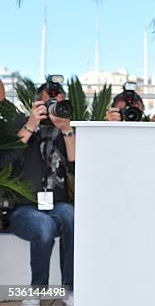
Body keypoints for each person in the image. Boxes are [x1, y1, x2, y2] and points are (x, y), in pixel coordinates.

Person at [10, 81, 75, 306]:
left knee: (71, 215)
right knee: (43, 225)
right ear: (37, 103)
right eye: (49, 102)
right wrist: (31, 124)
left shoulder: (66, 130)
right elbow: (6, 160)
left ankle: (70, 289)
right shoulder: (22, 124)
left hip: (56, 206)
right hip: (23, 209)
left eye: (58, 102)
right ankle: (37, 291)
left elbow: (77, 169)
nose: (53, 107)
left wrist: (66, 130)